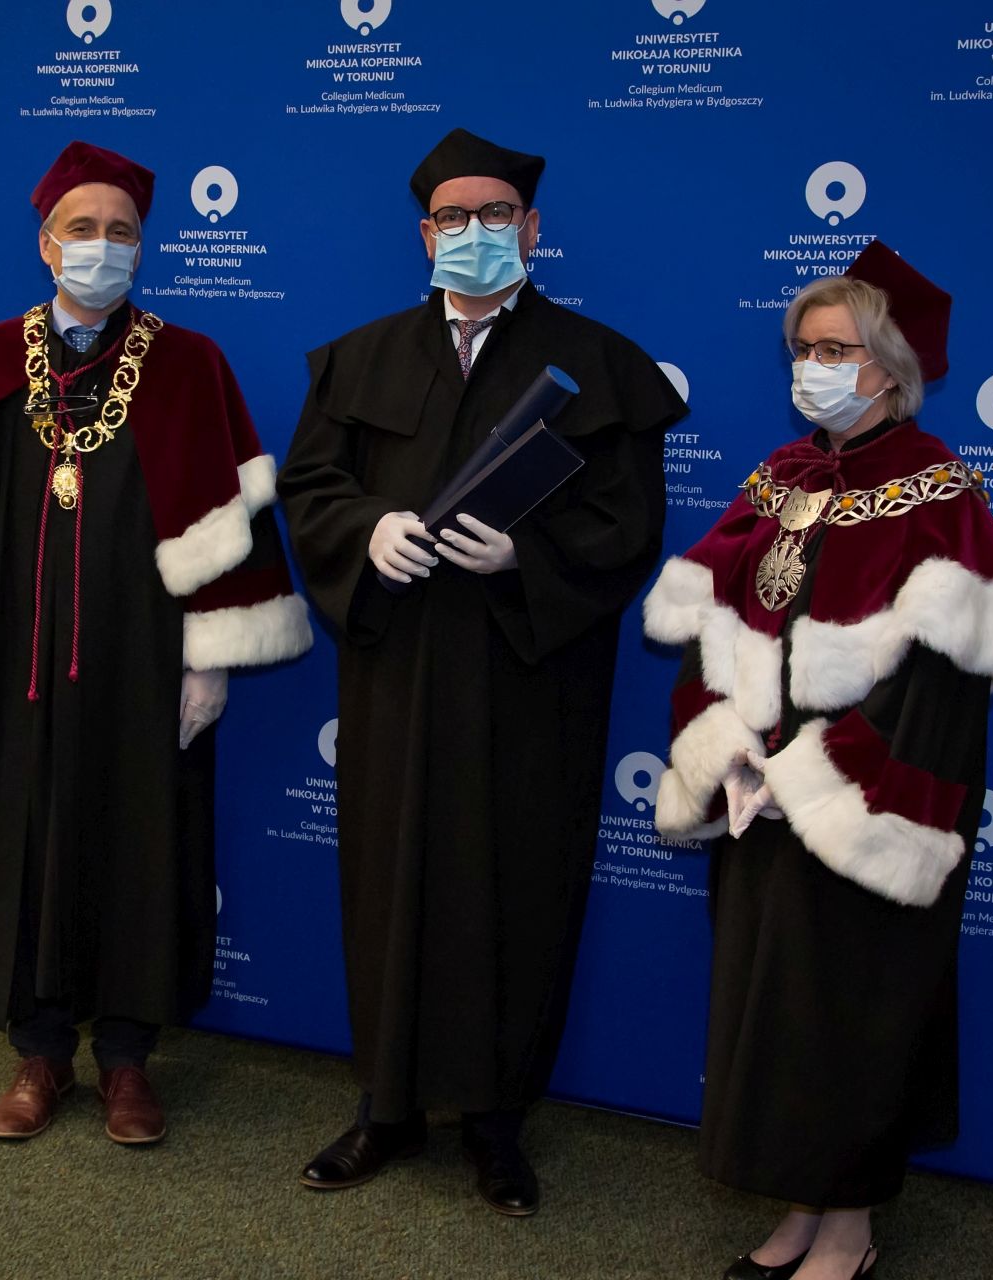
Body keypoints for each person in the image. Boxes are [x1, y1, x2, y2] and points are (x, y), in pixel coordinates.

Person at [0, 140, 311, 1147]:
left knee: (139, 838)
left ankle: (127, 1058)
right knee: (19, 835)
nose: (100, 246)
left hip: (141, 663)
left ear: (141, 247)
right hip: (13, 661)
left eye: (120, 232)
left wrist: (209, 658)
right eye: (82, 228)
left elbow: (229, 527)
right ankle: (38, 1049)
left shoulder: (191, 366)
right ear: (45, 243)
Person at [277, 127, 686, 1216]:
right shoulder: (358, 359)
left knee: (518, 884)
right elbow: (311, 487)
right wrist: (365, 529)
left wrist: (526, 559)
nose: (474, 232)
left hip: (526, 679)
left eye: (495, 214)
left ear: (532, 229)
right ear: (425, 235)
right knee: (389, 877)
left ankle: (499, 1122)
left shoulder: (600, 364)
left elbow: (630, 522)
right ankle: (387, 1105)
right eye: (453, 217)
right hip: (398, 673)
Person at [643, 242, 993, 1279]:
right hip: (758, 797)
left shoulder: (937, 491)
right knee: (773, 1006)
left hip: (860, 806)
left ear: (891, 365)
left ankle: (850, 1231)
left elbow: (939, 687)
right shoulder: (780, 477)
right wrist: (730, 750)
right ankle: (800, 1207)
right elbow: (710, 617)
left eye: (837, 349)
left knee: (850, 1011)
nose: (813, 366)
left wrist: (816, 775)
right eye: (803, 348)